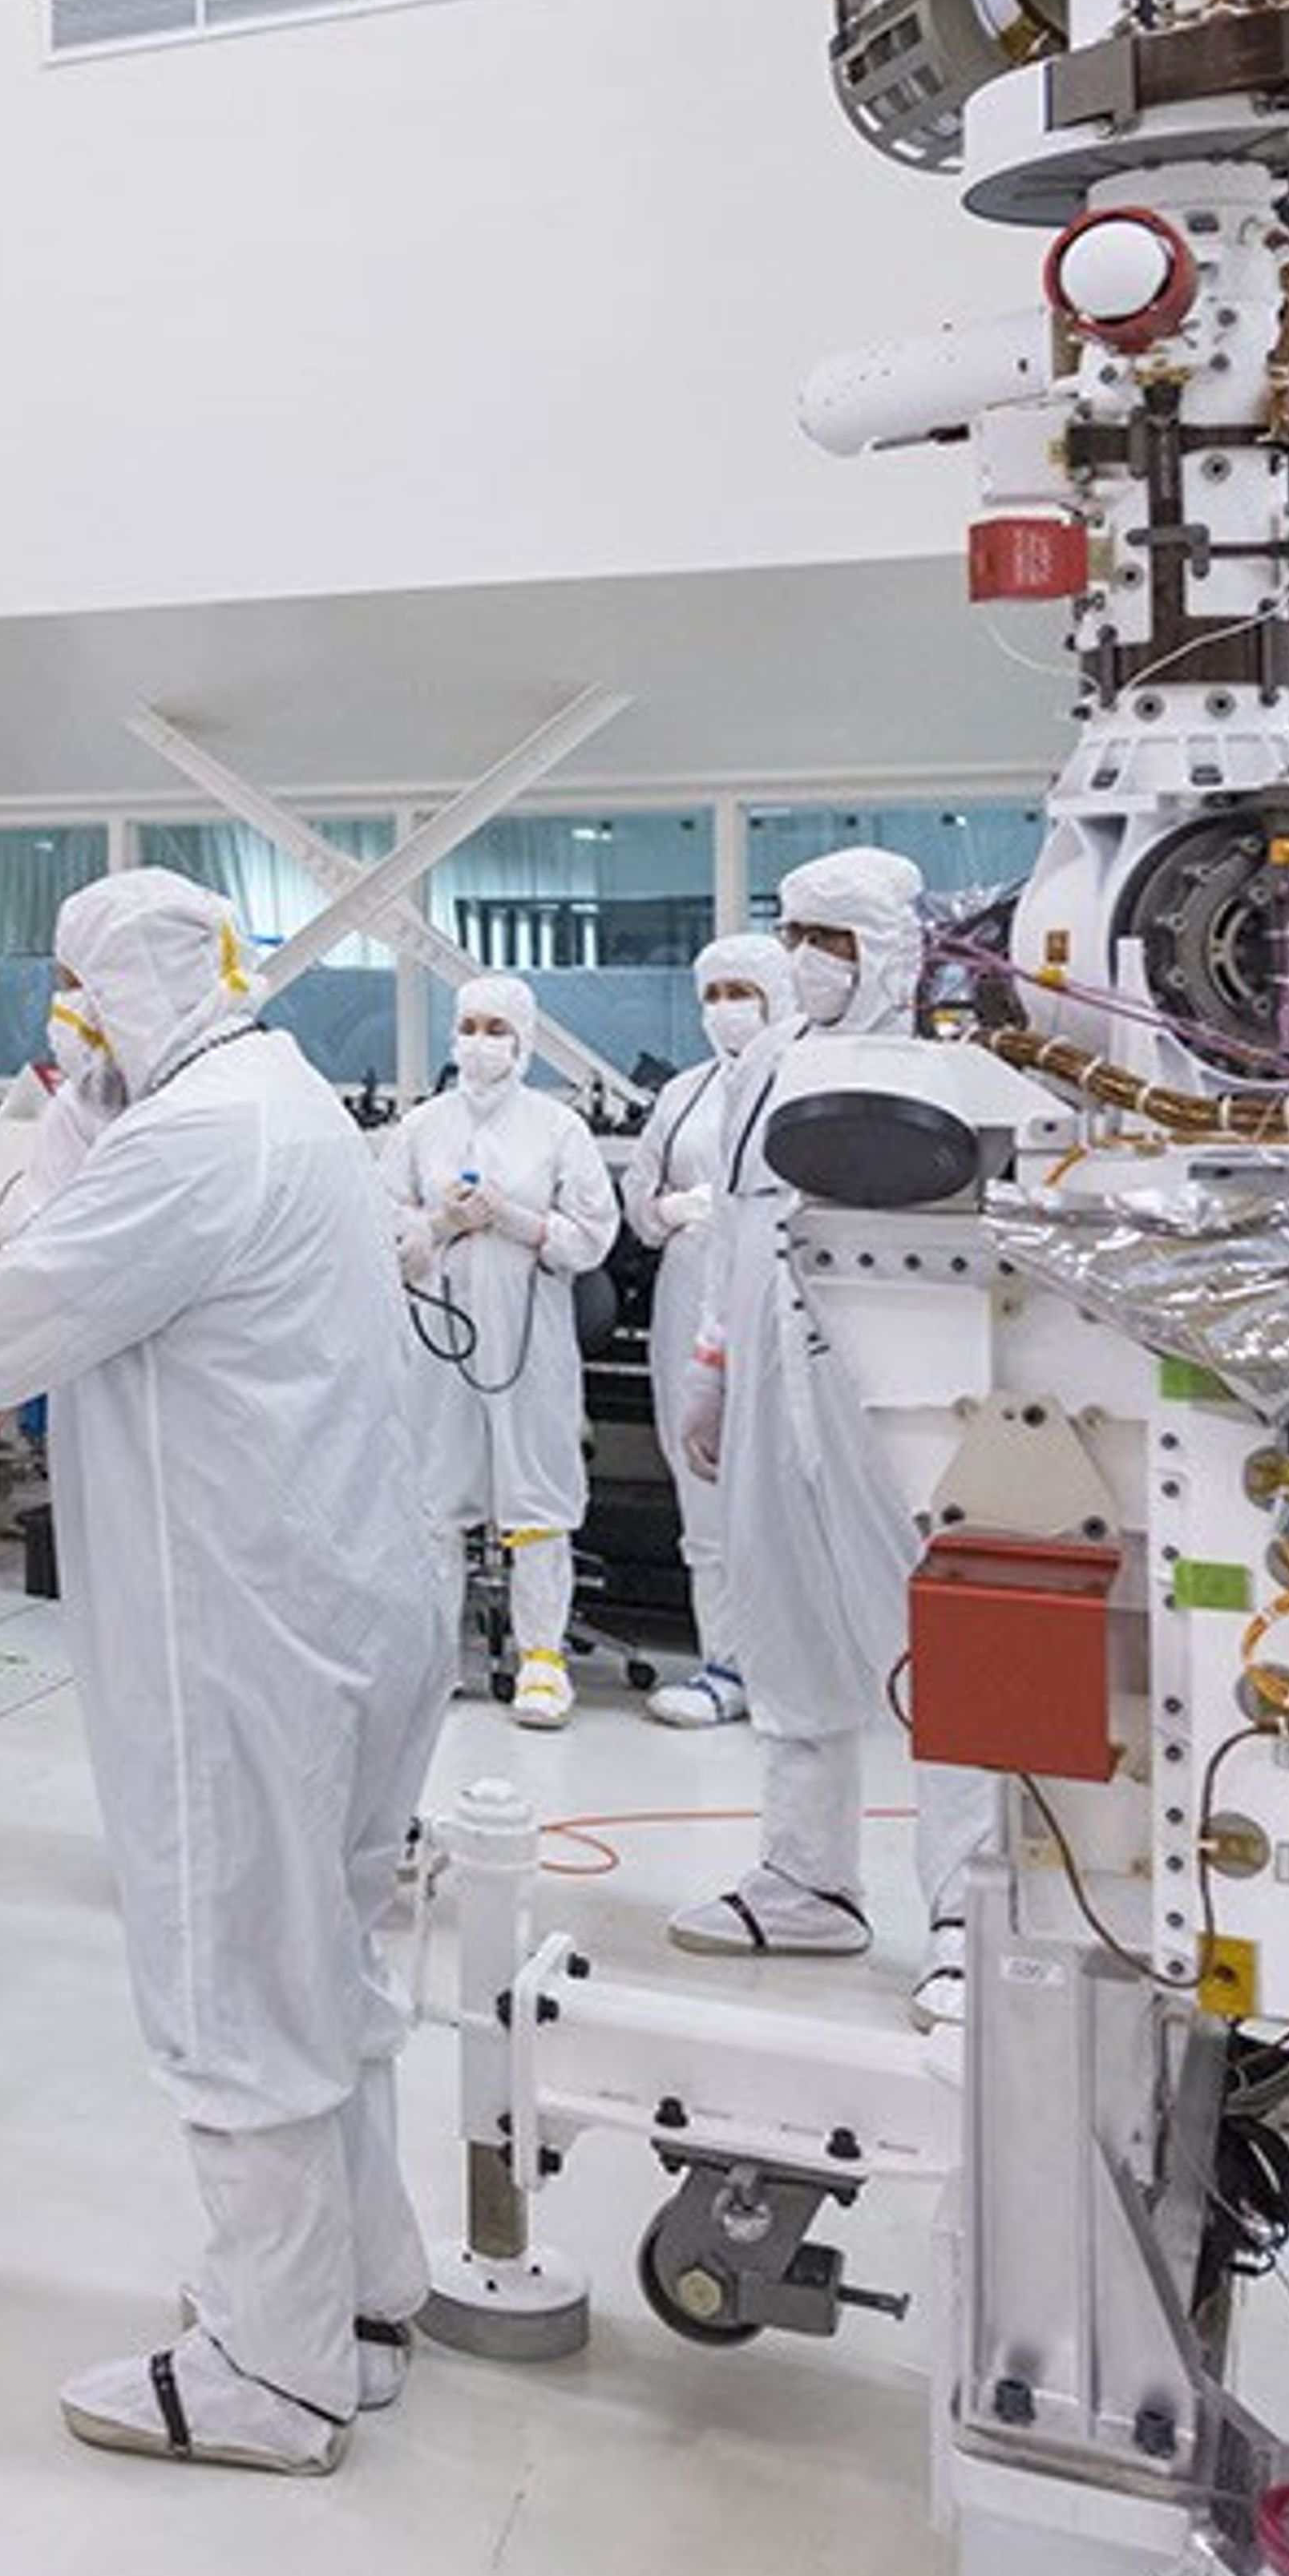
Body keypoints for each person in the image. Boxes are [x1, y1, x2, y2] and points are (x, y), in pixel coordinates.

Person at [0, 868, 445, 2474]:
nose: (57, 1042)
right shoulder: (271, 1096)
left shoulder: (195, 1135)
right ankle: (356, 2293)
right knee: (324, 1958)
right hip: (348, 1594)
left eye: (67, 1004)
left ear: (109, 992)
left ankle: (270, 2367)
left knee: (228, 1967)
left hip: (238, 1619)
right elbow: (63, 1233)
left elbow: (42, 1306)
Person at [667, 849, 996, 2033]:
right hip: (769, 1381)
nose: (807, 959)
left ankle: (968, 1912)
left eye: (833, 938)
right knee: (786, 1623)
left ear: (888, 947)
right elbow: (731, 1243)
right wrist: (711, 1374)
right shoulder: (764, 1070)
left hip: (897, 1394)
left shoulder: (947, 1064)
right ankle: (808, 1879)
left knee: (934, 1643)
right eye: (794, 931)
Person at [384, 973, 615, 1730]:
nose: (480, 1042)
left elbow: (591, 1237)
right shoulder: (421, 1127)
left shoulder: (556, 1128)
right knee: (435, 1498)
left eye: (497, 1029)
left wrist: (513, 1218)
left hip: (531, 1339)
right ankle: (432, 1658)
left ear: (524, 1039)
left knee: (537, 1495)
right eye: (470, 1026)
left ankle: (542, 1662)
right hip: (439, 1339)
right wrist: (442, 1223)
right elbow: (382, 1231)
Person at [623, 935, 794, 1730]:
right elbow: (639, 1192)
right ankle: (724, 1660)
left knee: (785, 1484)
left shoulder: (803, 1077)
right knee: (700, 1477)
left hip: (780, 1299)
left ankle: (793, 1665)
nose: (726, 1006)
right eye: (713, 990)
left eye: (742, 988)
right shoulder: (685, 1092)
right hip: (687, 1293)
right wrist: (666, 1211)